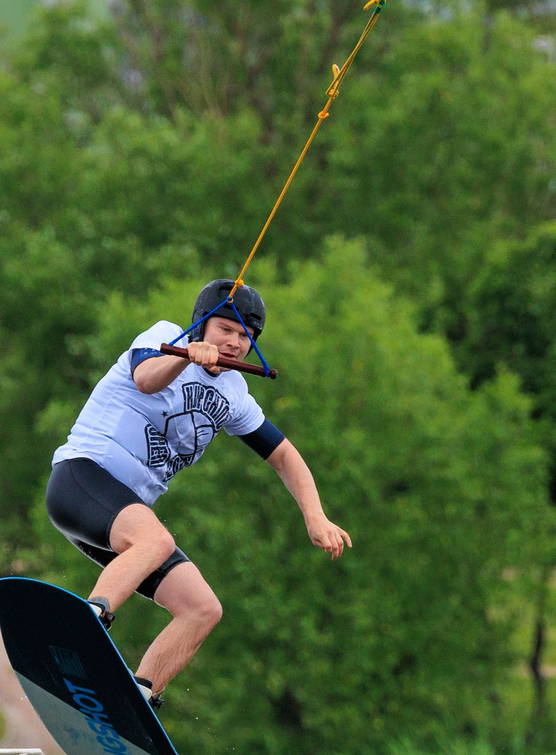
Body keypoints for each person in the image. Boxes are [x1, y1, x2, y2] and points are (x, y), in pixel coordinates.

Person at [45, 280, 352, 708]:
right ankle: (85, 625)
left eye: (246, 336)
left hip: (120, 520)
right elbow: (146, 380)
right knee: (156, 541)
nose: (235, 342)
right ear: (202, 325)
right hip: (82, 478)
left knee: (202, 608)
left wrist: (315, 516)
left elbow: (284, 456)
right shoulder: (162, 337)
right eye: (226, 328)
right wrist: (184, 358)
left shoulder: (235, 396)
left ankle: (138, 697)